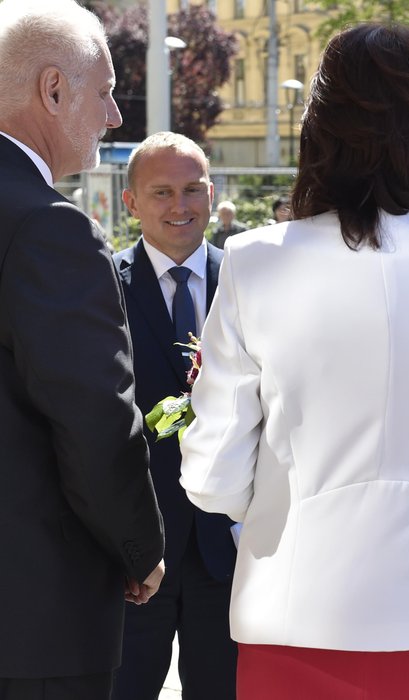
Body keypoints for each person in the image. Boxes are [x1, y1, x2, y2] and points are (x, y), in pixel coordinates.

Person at [179, 24, 409, 699]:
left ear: (318, 127)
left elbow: (211, 476)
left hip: (296, 610)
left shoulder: (253, 260)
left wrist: (284, 498)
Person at [0, 1, 165, 697]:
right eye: (105, 92)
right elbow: (95, 417)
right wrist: (140, 548)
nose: (116, 116)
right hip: (36, 620)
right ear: (53, 90)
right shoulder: (49, 228)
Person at [113, 132, 237, 700]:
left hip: (229, 549)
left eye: (192, 189)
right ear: (131, 202)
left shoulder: (248, 282)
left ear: (212, 194)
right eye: (161, 192)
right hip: (137, 551)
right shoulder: (103, 285)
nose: (180, 206)